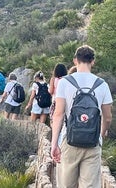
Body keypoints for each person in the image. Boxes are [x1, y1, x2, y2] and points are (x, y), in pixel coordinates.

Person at [51, 45, 113, 188]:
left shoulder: (65, 82)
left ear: (75, 60)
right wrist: (101, 135)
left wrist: (55, 144)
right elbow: (108, 117)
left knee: (66, 185)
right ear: (93, 61)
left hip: (69, 140)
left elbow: (58, 114)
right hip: (93, 142)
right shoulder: (102, 85)